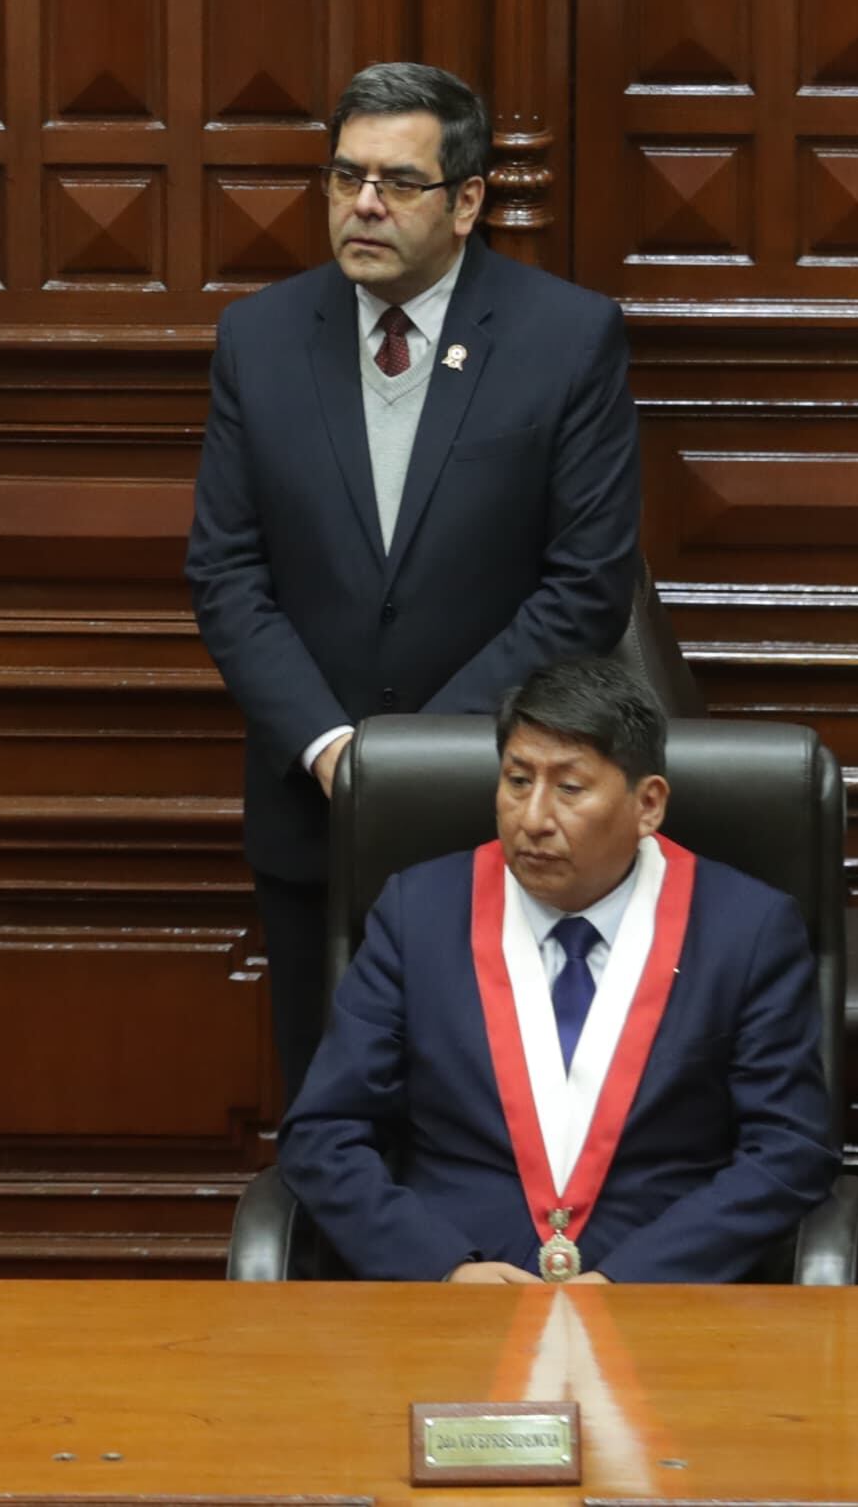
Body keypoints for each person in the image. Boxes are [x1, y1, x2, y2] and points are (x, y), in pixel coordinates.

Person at [188, 60, 644, 1091]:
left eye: (396, 182)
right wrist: (332, 750)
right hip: (314, 810)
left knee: (488, 1114)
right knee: (326, 1109)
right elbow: (225, 570)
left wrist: (427, 761)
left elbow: (585, 582)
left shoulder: (565, 339)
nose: (361, 204)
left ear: (468, 199)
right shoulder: (258, 339)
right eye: (345, 176)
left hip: (501, 810)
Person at [275, 656, 833, 1282]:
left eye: (569, 789)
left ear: (647, 804)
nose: (533, 819)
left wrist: (634, 1280)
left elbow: (790, 1151)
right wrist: (441, 1267)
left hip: (659, 1303)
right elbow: (323, 1134)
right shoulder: (419, 913)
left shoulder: (746, 928)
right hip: (458, 1299)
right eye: (517, 781)